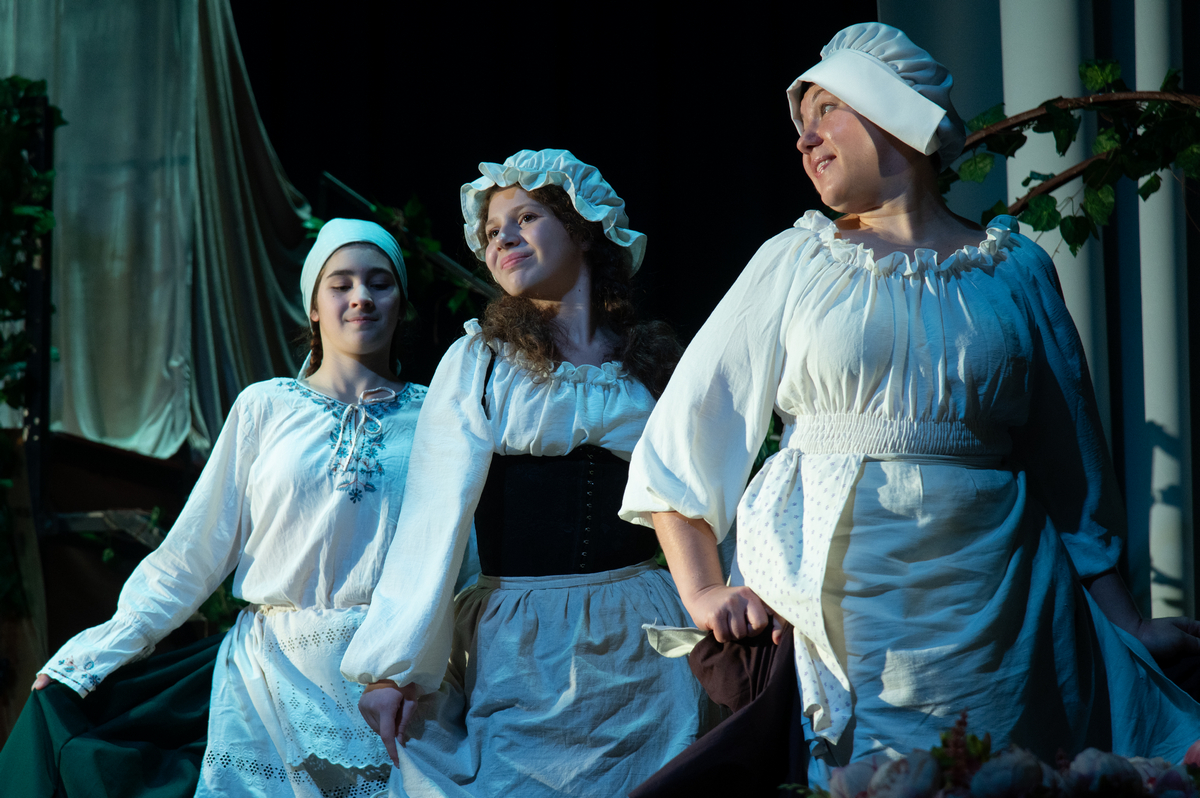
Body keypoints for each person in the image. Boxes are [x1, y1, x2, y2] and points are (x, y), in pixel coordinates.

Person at [619, 22, 1200, 788]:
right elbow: (687, 432)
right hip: (846, 607)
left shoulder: (1016, 270)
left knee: (994, 776)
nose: (804, 139)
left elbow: (1074, 476)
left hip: (1002, 606)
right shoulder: (797, 262)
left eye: (827, 110)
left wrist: (1125, 624)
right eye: (801, 122)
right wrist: (701, 591)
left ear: (891, 110)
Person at [341, 149, 709, 797]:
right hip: (521, 642)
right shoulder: (481, 363)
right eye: (491, 231)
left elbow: (700, 500)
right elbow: (432, 518)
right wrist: (393, 667)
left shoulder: (649, 363)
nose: (503, 237)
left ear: (583, 228)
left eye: (527, 217)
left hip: (640, 631)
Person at [21, 219, 426, 797]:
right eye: (340, 284)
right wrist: (90, 657)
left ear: (400, 304)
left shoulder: (434, 416)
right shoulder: (267, 407)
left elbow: (454, 565)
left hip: (388, 683)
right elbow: (193, 552)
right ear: (314, 307)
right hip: (271, 679)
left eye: (379, 283)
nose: (361, 296)